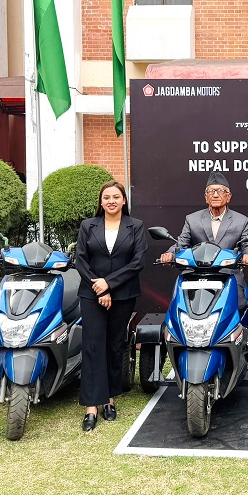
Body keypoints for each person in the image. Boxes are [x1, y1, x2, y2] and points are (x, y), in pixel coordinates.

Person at [74, 180, 147, 431]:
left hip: (123, 295)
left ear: (124, 200)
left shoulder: (135, 226)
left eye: (116, 197)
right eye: (106, 197)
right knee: (93, 346)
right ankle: (91, 406)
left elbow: (137, 262)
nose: (111, 201)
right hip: (91, 293)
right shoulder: (88, 226)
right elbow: (80, 259)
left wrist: (109, 284)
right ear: (101, 201)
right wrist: (99, 287)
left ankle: (110, 399)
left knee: (114, 346)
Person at [159, 170, 248, 310]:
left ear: (228, 196)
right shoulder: (192, 219)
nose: (215, 195)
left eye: (221, 191)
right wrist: (170, 253)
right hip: (196, 275)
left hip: (228, 275)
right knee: (180, 308)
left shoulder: (241, 221)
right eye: (211, 191)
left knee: (238, 307)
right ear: (206, 197)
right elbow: (181, 242)